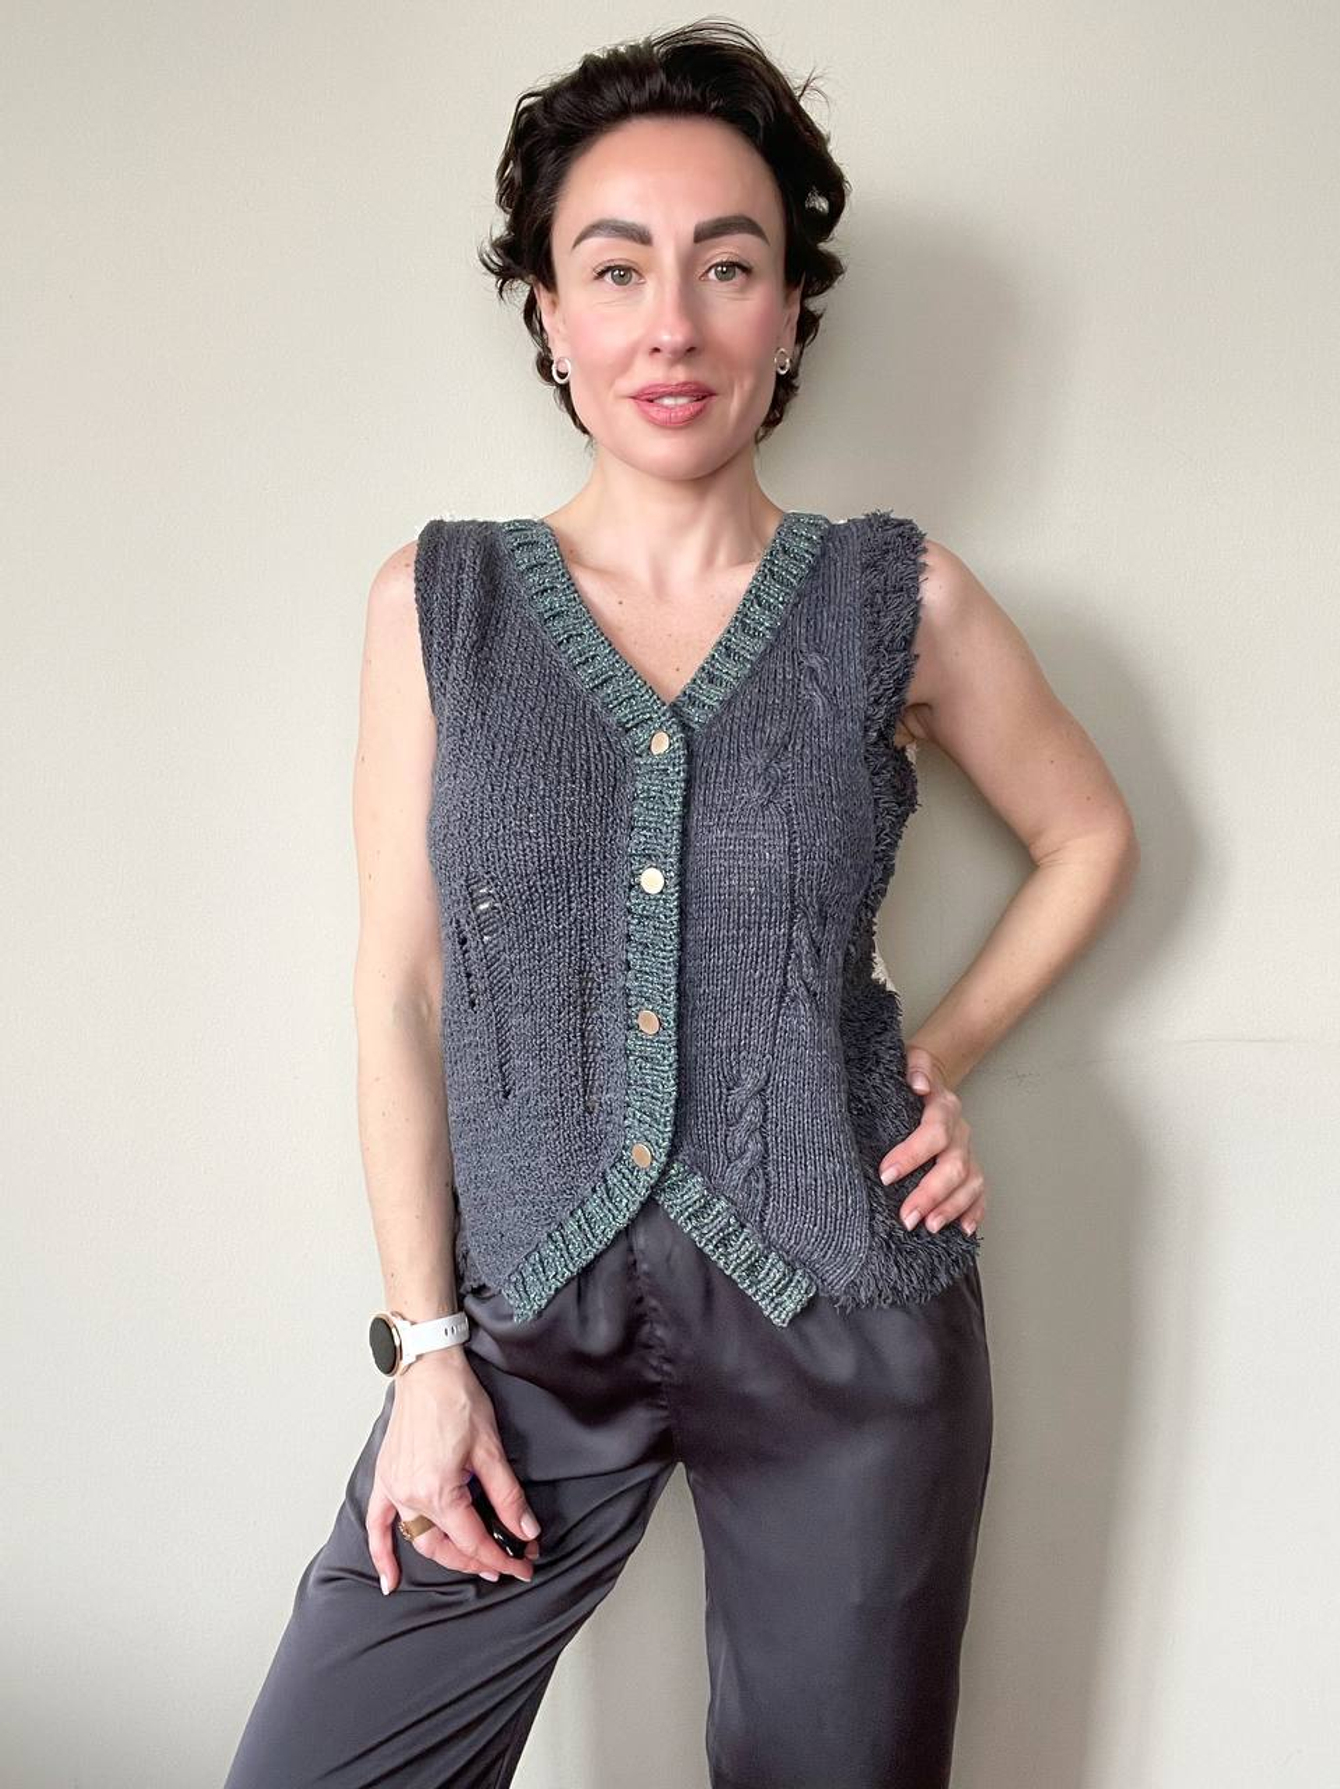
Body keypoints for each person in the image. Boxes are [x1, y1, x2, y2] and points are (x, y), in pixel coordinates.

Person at [223, 21, 1138, 1789]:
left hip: (846, 1308)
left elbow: (1089, 833)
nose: (673, 324)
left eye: (728, 266)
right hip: (519, 1334)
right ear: (551, 315)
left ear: (789, 313)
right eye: (615, 267)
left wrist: (939, 1058)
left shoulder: (896, 597)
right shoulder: (440, 602)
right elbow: (400, 988)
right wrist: (426, 1352)